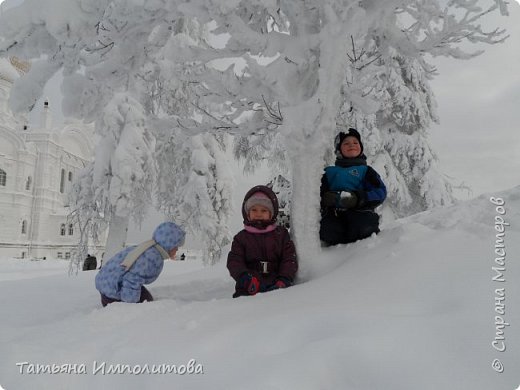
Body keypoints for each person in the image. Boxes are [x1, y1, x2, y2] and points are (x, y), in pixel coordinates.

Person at [227, 185, 298, 298]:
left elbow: (289, 259)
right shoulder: (241, 238)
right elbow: (234, 261)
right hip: (248, 289)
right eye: (254, 210)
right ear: (247, 213)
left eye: (264, 210)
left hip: (277, 288)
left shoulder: (281, 235)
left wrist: (284, 279)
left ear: (271, 213)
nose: (258, 214)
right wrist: (244, 278)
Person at [320, 127, 386, 246]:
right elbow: (317, 193)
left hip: (360, 213)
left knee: (363, 225)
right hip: (335, 215)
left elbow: (380, 192)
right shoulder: (329, 172)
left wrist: (358, 198)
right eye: (346, 143)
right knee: (326, 229)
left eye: (356, 142)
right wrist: (325, 198)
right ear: (338, 150)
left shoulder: (366, 171)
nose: (352, 145)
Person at [95, 222, 185, 306]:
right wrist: (131, 306)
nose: (177, 250)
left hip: (107, 281)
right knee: (146, 303)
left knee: (147, 298)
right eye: (176, 246)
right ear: (168, 245)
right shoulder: (152, 259)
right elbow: (132, 279)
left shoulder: (148, 248)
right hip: (112, 290)